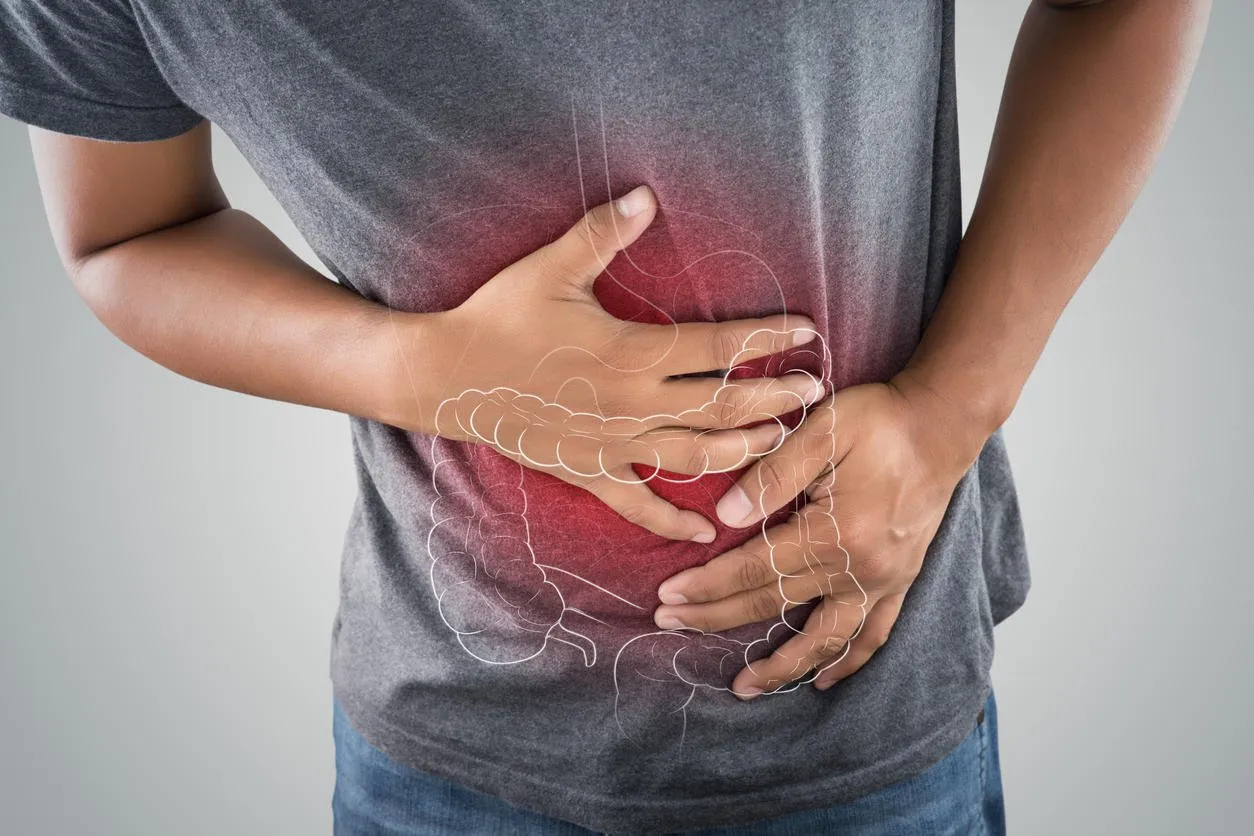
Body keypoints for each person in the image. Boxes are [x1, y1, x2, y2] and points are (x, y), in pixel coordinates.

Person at [0, 1, 1208, 833]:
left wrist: (951, 408)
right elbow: (126, 234)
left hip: (862, 732)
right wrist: (423, 369)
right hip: (446, 750)